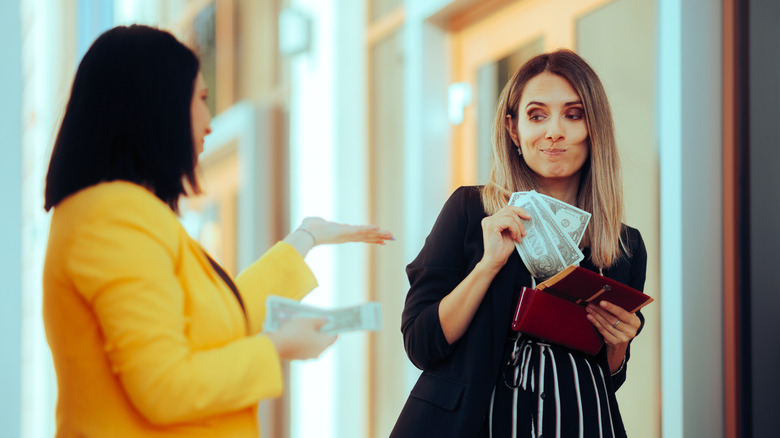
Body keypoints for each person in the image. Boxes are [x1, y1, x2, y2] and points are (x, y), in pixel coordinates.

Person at [42, 24, 393, 437]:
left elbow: (220, 322)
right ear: (158, 105)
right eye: (202, 99)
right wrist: (277, 346)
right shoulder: (114, 219)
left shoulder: (122, 214)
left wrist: (306, 237)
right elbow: (164, 386)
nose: (209, 122)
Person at [391, 49, 647, 438]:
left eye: (573, 114)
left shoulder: (623, 244)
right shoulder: (471, 210)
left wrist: (619, 345)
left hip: (580, 422)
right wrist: (487, 266)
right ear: (513, 130)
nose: (554, 131)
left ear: (594, 127)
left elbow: (606, 378)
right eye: (537, 115)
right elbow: (422, 344)